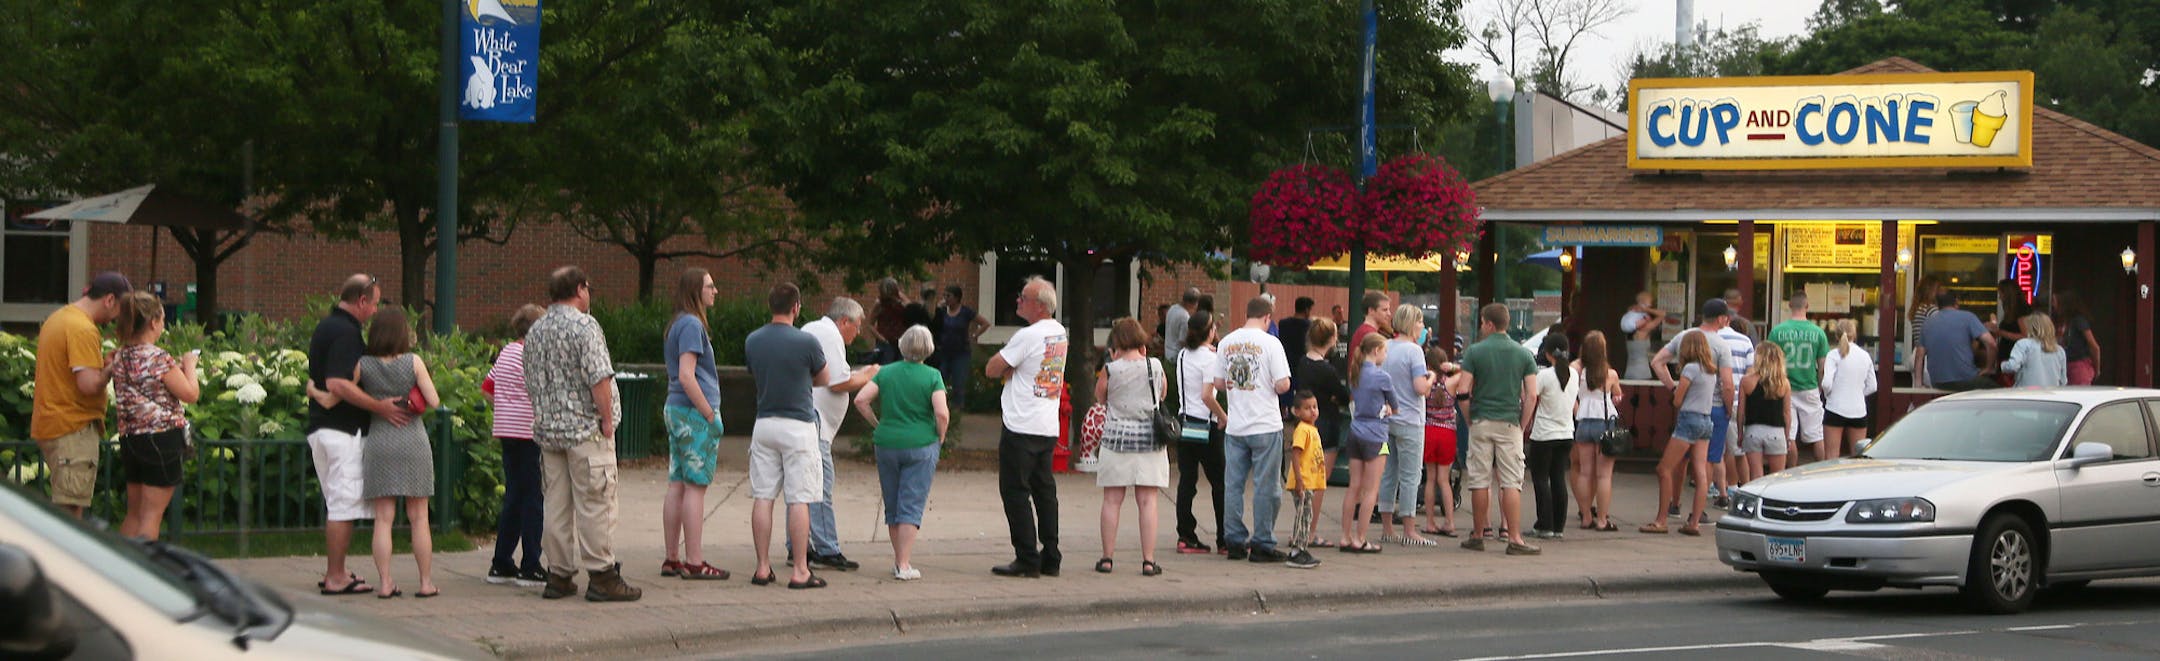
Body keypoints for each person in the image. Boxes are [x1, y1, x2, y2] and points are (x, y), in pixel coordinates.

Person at [524, 266, 640, 601]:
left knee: (556, 505)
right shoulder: (585, 326)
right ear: (579, 289)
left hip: (549, 432)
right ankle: (602, 574)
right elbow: (599, 377)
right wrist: (606, 420)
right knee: (596, 503)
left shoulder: (536, 329)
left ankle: (558, 574)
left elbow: (531, 379)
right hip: (585, 430)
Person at [306, 274, 408, 597]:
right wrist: (378, 406)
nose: (376, 310)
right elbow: (338, 382)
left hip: (321, 427)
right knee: (343, 505)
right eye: (375, 303)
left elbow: (326, 384)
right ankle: (336, 576)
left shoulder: (325, 327)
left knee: (337, 500)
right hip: (342, 431)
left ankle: (337, 571)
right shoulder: (348, 334)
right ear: (362, 301)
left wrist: (318, 394)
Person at [339, 308, 444, 599]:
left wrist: (375, 401)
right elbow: (434, 400)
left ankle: (385, 583)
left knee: (383, 518)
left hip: (381, 441)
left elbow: (344, 391)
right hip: (413, 440)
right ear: (402, 334)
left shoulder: (364, 364)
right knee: (419, 517)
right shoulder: (414, 362)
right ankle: (425, 583)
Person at [744, 283, 835, 590]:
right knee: (799, 498)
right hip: (798, 425)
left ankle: (762, 567)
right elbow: (824, 378)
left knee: (763, 495)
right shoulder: (806, 341)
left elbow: (755, 371)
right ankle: (800, 570)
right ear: (796, 306)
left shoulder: (753, 340)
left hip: (764, 422)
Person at [31, 271, 131, 518]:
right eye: (121, 309)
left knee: (65, 503)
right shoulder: (83, 329)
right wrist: (110, 369)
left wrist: (100, 365)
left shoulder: (60, 318)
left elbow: (71, 371)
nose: (118, 318)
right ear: (109, 300)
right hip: (72, 426)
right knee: (70, 509)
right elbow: (88, 385)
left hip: (52, 421)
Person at [987, 276, 1068, 578]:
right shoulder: (1059, 332)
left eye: (1023, 297)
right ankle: (1051, 554)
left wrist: (1011, 368)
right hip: (1047, 422)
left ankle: (1026, 556)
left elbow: (993, 367)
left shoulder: (1028, 335)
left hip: (1020, 422)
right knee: (1044, 490)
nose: (1018, 301)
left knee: (1015, 491)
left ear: (1039, 305)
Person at [853, 325, 948, 581]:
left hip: (887, 443)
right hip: (921, 444)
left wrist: (878, 424)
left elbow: (861, 400)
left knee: (893, 503)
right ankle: (904, 565)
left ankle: (898, 560)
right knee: (912, 503)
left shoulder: (886, 372)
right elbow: (941, 412)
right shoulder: (932, 376)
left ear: (902, 345)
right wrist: (941, 435)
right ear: (928, 348)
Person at [1208, 295, 1293, 565]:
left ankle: (1233, 540)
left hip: (1236, 424)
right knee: (1266, 486)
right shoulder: (1272, 343)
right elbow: (1282, 385)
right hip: (1265, 423)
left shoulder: (1227, 342)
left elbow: (1219, 383)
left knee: (1233, 485)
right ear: (1267, 317)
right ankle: (1262, 543)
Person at [798, 298, 879, 572]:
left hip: (809, 418)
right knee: (820, 485)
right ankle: (826, 549)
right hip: (816, 421)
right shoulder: (830, 335)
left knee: (801, 486)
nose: (858, 333)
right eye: (857, 327)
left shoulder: (814, 329)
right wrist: (869, 375)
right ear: (844, 321)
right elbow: (839, 383)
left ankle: (798, 547)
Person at [110, 291, 199, 540]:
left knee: (134, 513)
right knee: (152, 515)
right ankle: (141, 573)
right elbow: (191, 393)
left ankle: (119, 567)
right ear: (153, 322)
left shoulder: (119, 356)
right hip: (161, 438)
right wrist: (189, 366)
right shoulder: (159, 357)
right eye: (162, 320)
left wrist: (176, 371)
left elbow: (145, 381)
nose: (162, 326)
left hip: (131, 439)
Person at [1456, 303, 1542, 556]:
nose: (1481, 326)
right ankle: (1515, 538)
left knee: (1480, 480)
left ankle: (1478, 534)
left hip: (1482, 420)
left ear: (1490, 324)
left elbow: (1462, 392)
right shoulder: (1524, 355)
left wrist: (1471, 420)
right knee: (1511, 482)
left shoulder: (1474, 352)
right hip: (1509, 423)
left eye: (1482, 322)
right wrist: (1522, 424)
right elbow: (1532, 395)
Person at [660, 269, 729, 580]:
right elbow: (688, 375)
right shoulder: (691, 324)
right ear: (695, 290)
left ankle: (672, 558)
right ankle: (695, 561)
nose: (715, 291)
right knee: (696, 486)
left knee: (678, 482)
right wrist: (710, 415)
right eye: (710, 286)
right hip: (693, 412)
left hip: (676, 409)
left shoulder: (677, 323)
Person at [1090, 318, 1170, 577]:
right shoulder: (1154, 366)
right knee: (1148, 501)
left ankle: (1107, 558)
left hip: (1116, 439)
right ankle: (1148, 561)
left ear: (1116, 343)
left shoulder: (1111, 369)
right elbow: (1162, 395)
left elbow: (1100, 397)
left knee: (1112, 500)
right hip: (1149, 440)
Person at [1649, 299, 1735, 518]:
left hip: (1688, 406)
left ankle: (1674, 503)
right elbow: (1727, 383)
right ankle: (1698, 514)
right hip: (1713, 408)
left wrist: (1673, 387)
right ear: (1721, 318)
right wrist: (1728, 408)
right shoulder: (1721, 344)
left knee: (1679, 460)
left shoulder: (1683, 337)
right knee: (1705, 463)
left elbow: (1657, 362)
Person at [484, 304, 547, 587]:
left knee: (514, 495)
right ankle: (530, 563)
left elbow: (488, 388)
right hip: (528, 432)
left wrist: (505, 409)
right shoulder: (532, 355)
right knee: (533, 498)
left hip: (506, 431)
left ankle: (501, 561)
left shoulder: (507, 351)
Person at [1644, 331, 1716, 536]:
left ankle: (1661, 520)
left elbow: (1677, 400)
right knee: (1701, 474)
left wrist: (1676, 391)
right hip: (1706, 420)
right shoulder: (1711, 370)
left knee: (1664, 469)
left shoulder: (1691, 369)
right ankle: (1694, 522)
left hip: (1689, 420)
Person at [1376, 306, 1435, 546]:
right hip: (1410, 421)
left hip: (1385, 421)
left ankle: (1388, 528)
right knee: (1411, 475)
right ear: (1412, 324)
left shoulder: (1385, 347)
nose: (1422, 327)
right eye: (1420, 322)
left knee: (1387, 474)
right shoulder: (1415, 351)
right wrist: (1431, 378)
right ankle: (1410, 529)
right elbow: (1420, 387)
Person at [1174, 311, 1227, 555]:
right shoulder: (1210, 359)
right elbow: (1207, 395)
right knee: (1219, 483)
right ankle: (1224, 537)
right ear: (1211, 331)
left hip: (1186, 423)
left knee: (1187, 481)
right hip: (1206, 425)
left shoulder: (1184, 354)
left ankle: (1185, 534)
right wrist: (1223, 416)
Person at [1294, 318, 1349, 548]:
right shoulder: (1327, 370)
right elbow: (1343, 395)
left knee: (1304, 482)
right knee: (1318, 482)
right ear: (1331, 339)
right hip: (1327, 424)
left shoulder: (1303, 363)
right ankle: (1310, 531)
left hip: (1307, 426)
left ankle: (1300, 528)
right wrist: (1334, 398)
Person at [1340, 333, 1392, 554]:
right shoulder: (1382, 377)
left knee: (1354, 486)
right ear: (1377, 351)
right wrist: (1388, 409)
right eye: (1385, 350)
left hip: (1356, 431)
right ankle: (1361, 538)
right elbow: (1394, 405)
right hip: (1376, 434)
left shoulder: (1356, 374)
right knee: (1371, 490)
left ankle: (1345, 536)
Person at [1568, 331, 1621, 532]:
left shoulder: (1578, 372)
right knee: (1604, 476)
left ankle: (1586, 517)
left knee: (1585, 472)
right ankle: (1602, 520)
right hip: (1604, 424)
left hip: (1583, 423)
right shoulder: (1611, 374)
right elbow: (1618, 394)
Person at [1526, 334, 1577, 540]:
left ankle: (1544, 524)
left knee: (1540, 479)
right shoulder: (1574, 374)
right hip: (1566, 433)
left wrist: (1524, 423)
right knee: (1558, 478)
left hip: (1544, 433)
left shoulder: (1544, 376)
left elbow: (1531, 396)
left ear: (1547, 353)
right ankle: (1558, 525)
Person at [1766, 294, 1828, 465]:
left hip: (1784, 386)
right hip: (1809, 386)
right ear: (1807, 305)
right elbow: (1823, 365)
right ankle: (1820, 471)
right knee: (1816, 434)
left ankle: (1790, 471)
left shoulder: (1777, 331)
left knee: (1789, 434)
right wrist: (1819, 385)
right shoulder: (1818, 332)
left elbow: (1770, 362)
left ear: (1789, 306)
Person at [1710, 314, 1754, 509]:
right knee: (1738, 449)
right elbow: (1751, 373)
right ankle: (1743, 488)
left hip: (1713, 400)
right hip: (1738, 398)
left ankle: (1721, 489)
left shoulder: (1711, 338)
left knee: (1716, 451)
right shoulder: (1745, 341)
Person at [1419, 346, 1461, 539]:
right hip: (1447, 433)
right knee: (1444, 481)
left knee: (1430, 479)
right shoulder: (1451, 382)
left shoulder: (1426, 382)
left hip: (1429, 430)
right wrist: (1452, 366)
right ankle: (1450, 522)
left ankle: (1429, 522)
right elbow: (1467, 370)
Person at [1820, 320, 1878, 460]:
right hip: (1858, 410)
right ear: (1855, 334)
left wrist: (1829, 395)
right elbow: (1873, 386)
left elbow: (1826, 383)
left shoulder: (1833, 355)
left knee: (1831, 457)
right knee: (1858, 457)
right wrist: (1858, 393)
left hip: (1835, 408)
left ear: (1836, 336)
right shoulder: (1865, 356)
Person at [1918, 292, 1998, 392]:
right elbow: (1991, 343)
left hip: (1938, 383)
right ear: (1956, 302)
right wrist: (1988, 368)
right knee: (2000, 393)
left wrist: (1918, 385)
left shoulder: (1927, 323)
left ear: (1938, 305)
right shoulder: (1968, 317)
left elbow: (1919, 356)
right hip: (1965, 380)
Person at [1282, 391, 1327, 569]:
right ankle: (1297, 551)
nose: (1313, 411)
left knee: (1306, 516)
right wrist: (1299, 480)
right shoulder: (1302, 430)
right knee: (1303, 516)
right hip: (1303, 482)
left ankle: (1302, 548)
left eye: (1314, 407)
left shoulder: (1312, 430)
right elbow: (1296, 453)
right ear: (1297, 412)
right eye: (1307, 408)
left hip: (1309, 482)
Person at [1739, 342, 1792, 483]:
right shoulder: (1783, 383)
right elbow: (1787, 414)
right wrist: (1787, 436)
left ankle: (1757, 503)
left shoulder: (1746, 381)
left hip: (1752, 431)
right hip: (1776, 431)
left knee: (1756, 476)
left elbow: (1741, 412)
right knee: (1777, 478)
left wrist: (1740, 434)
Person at [933, 285, 990, 411]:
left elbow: (985, 323)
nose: (946, 299)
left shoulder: (965, 312)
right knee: (940, 381)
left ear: (957, 298)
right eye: (944, 296)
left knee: (958, 383)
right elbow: (934, 325)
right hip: (944, 352)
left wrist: (974, 335)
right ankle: (940, 408)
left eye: (949, 296)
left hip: (961, 353)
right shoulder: (942, 311)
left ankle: (958, 410)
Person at [2002, 312, 2068, 388]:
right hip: (2050, 395)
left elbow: (2012, 366)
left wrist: (2002, 366)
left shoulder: (2023, 344)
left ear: (2031, 327)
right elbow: (2063, 381)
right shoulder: (2059, 350)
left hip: (2027, 395)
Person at [2055, 292, 2099, 385]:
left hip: (2078, 365)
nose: (2053, 305)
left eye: (2055, 301)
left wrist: (2097, 369)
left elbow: (2094, 346)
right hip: (2064, 365)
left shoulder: (2079, 321)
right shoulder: (2063, 321)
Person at [1620, 291, 1664, 380]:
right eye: (1649, 305)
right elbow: (1662, 314)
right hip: (1643, 373)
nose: (1651, 307)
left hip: (1629, 372)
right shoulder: (1644, 328)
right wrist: (1646, 310)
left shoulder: (1630, 327)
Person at [869, 277, 908, 365]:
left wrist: (900, 301)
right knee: (886, 366)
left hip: (901, 340)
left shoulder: (901, 301)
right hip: (886, 341)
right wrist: (881, 338)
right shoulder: (880, 304)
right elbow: (870, 324)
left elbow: (912, 309)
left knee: (901, 365)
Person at [1165, 286, 1199, 364]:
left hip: (1167, 351)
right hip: (1176, 355)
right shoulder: (1185, 317)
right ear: (1191, 303)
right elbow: (1182, 341)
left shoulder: (1172, 308)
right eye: (1196, 303)